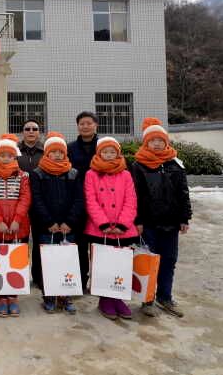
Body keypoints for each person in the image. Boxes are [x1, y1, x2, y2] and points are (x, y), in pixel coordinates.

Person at [131, 117, 192, 318]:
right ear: (146, 142)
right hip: (149, 223)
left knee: (169, 260)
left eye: (160, 140)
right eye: (152, 140)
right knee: (148, 261)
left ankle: (165, 297)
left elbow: (183, 193)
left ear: (166, 142)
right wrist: (138, 220)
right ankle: (147, 299)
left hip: (171, 222)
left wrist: (184, 217)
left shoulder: (175, 164)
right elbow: (135, 195)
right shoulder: (138, 165)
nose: (156, 144)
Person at [84, 136, 138, 321]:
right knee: (103, 265)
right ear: (99, 154)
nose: (108, 155)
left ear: (118, 153)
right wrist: (103, 223)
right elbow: (90, 200)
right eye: (105, 152)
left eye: (112, 152)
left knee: (121, 265)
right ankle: (105, 299)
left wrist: (123, 224)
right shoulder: (91, 174)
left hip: (123, 229)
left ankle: (118, 298)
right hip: (100, 228)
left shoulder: (126, 174)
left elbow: (131, 200)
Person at [30, 132, 84, 314]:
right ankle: (49, 296)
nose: (57, 155)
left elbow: (79, 199)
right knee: (49, 262)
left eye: (61, 152)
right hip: (47, 227)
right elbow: (36, 199)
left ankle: (65, 295)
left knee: (67, 261)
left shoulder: (73, 173)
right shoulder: (38, 173)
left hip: (68, 227)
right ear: (46, 153)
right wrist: (49, 221)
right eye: (53, 152)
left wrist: (70, 221)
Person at [0, 134, 31, 317]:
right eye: (3, 155)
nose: (6, 158)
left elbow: (25, 198)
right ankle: (1, 296)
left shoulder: (23, 175)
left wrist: (17, 219)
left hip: (18, 225)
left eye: (10, 155)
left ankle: (13, 296)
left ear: (14, 156)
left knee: (15, 260)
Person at [67, 111, 100, 292]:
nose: (85, 126)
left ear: (96, 125)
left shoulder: (103, 146)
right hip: (77, 202)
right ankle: (80, 280)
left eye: (89, 123)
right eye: (82, 123)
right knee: (79, 246)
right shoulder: (70, 148)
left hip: (101, 203)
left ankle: (100, 283)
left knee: (99, 247)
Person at [17, 119, 45, 288]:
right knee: (20, 240)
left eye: (34, 129)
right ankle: (18, 277)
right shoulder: (15, 151)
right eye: (27, 129)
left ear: (39, 132)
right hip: (18, 202)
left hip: (40, 202)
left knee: (39, 240)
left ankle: (39, 276)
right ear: (23, 132)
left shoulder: (45, 151)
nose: (31, 131)